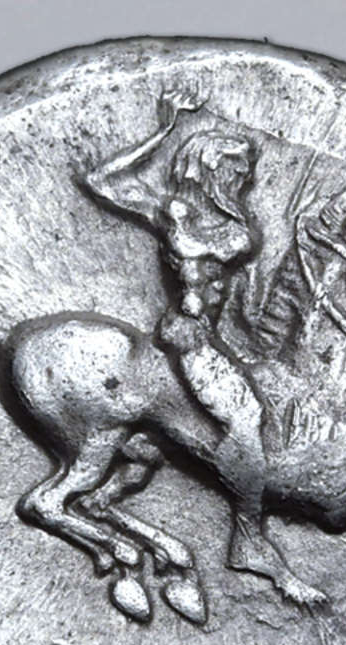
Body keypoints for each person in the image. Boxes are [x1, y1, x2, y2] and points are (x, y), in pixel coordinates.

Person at [81, 88, 265, 441]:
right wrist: (163, 130)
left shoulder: (237, 233)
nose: (246, 179)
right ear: (210, 172)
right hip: (186, 335)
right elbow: (100, 180)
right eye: (237, 171)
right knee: (244, 420)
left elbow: (224, 258)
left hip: (216, 337)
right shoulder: (170, 215)